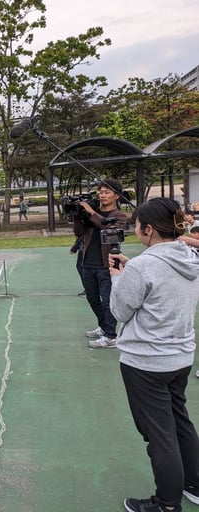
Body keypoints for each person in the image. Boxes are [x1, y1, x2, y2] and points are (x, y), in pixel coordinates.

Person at [108, 198, 199, 512]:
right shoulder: (190, 256)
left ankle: (167, 504)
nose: (135, 230)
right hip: (181, 356)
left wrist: (118, 277)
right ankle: (194, 484)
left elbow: (120, 310)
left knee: (160, 436)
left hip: (147, 362)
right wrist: (131, 269)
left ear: (148, 229)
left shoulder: (142, 266)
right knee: (179, 422)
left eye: (137, 225)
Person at [74, 179, 127, 348]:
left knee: (107, 301)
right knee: (92, 299)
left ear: (116, 196)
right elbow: (79, 233)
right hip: (88, 262)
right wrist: (78, 216)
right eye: (101, 192)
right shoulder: (92, 213)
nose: (102, 195)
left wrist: (91, 213)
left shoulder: (119, 216)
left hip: (107, 264)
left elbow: (110, 231)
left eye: (107, 192)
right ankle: (104, 327)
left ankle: (111, 336)